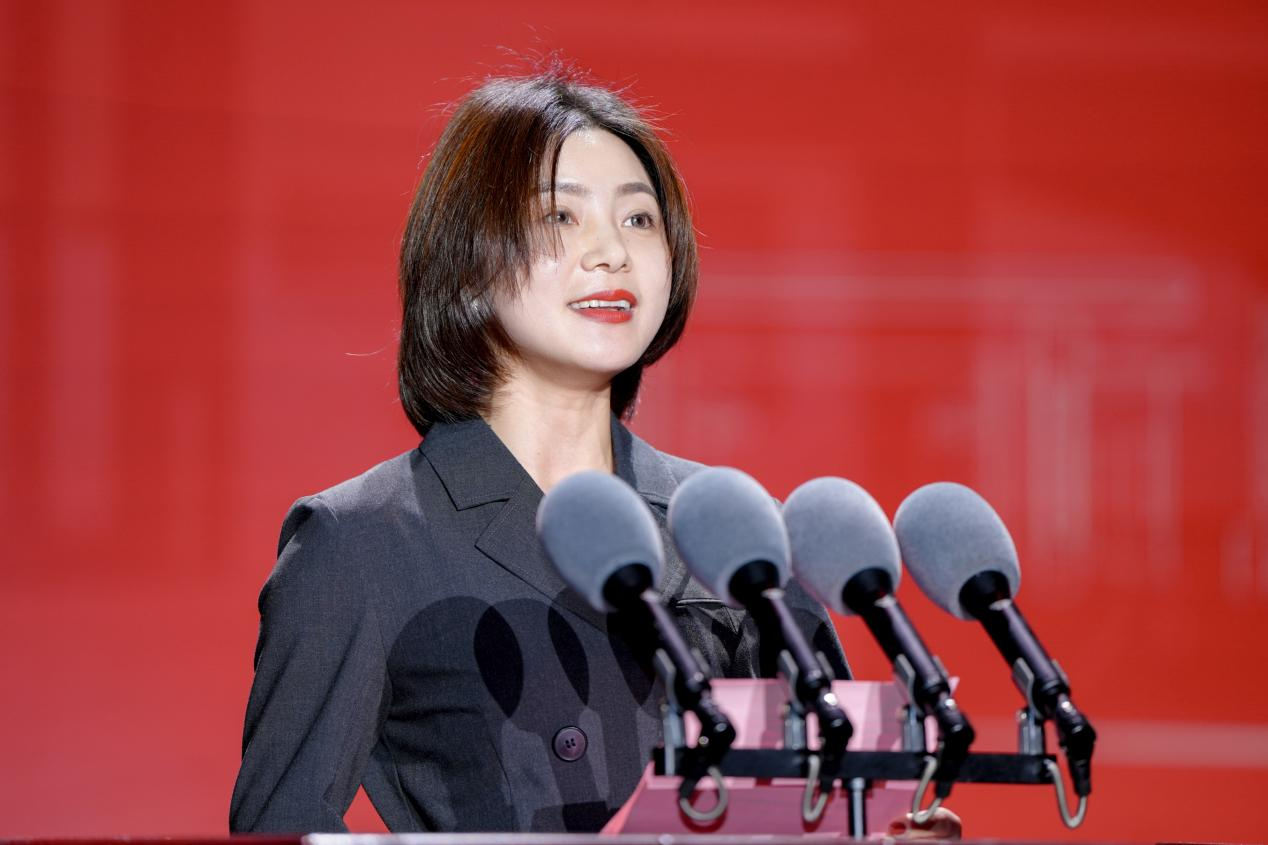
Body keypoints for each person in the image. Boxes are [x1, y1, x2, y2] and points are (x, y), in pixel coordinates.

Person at [229, 69, 852, 834]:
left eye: (639, 219)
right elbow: (282, 826)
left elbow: (831, 797)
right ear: (469, 261)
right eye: (561, 215)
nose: (611, 252)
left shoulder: (734, 531)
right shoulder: (362, 542)